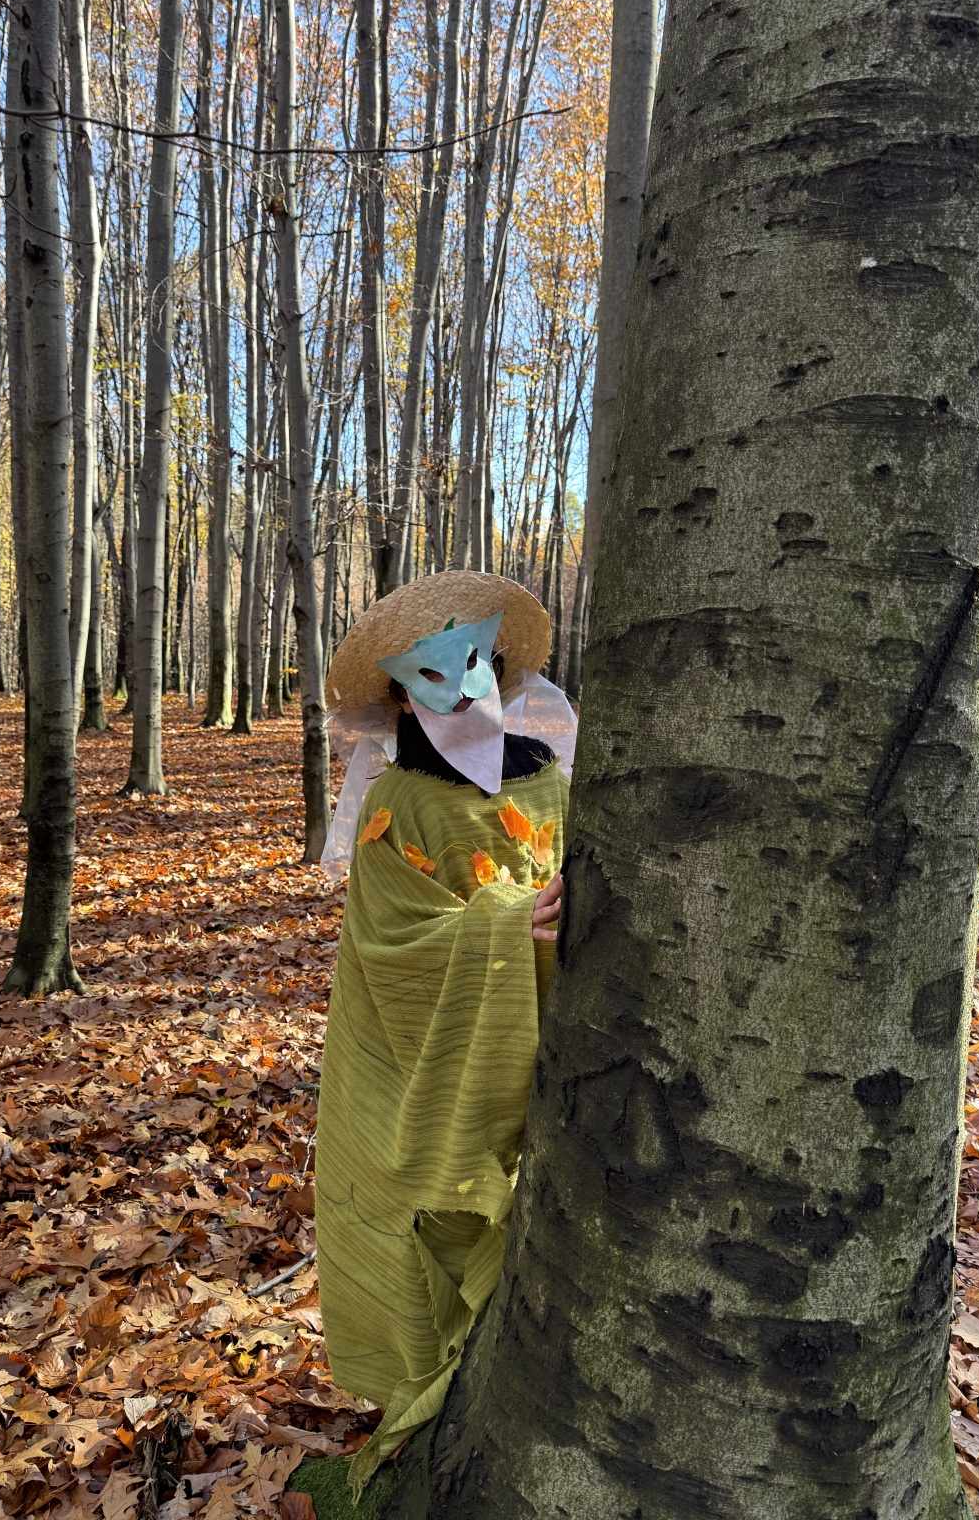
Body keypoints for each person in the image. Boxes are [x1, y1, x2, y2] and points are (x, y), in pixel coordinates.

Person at [314, 570, 576, 1493]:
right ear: (396, 695)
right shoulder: (400, 803)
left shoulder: (549, 778)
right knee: (425, 1207)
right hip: (436, 1045)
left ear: (497, 664)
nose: (460, 689)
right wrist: (505, 924)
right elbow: (393, 939)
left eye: (471, 662)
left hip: (560, 1037)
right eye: (429, 673)